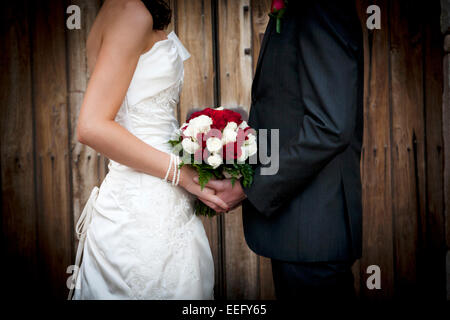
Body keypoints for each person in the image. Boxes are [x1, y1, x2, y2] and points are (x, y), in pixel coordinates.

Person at [197, 0, 364, 300]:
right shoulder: (295, 10)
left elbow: (329, 127)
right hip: (297, 230)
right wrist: (235, 159)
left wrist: (251, 187)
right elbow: (287, 117)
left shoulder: (321, 7)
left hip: (313, 233)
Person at [70, 0, 228, 299]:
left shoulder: (114, 11)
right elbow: (91, 126)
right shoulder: (130, 11)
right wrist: (181, 174)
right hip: (148, 200)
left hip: (140, 187)